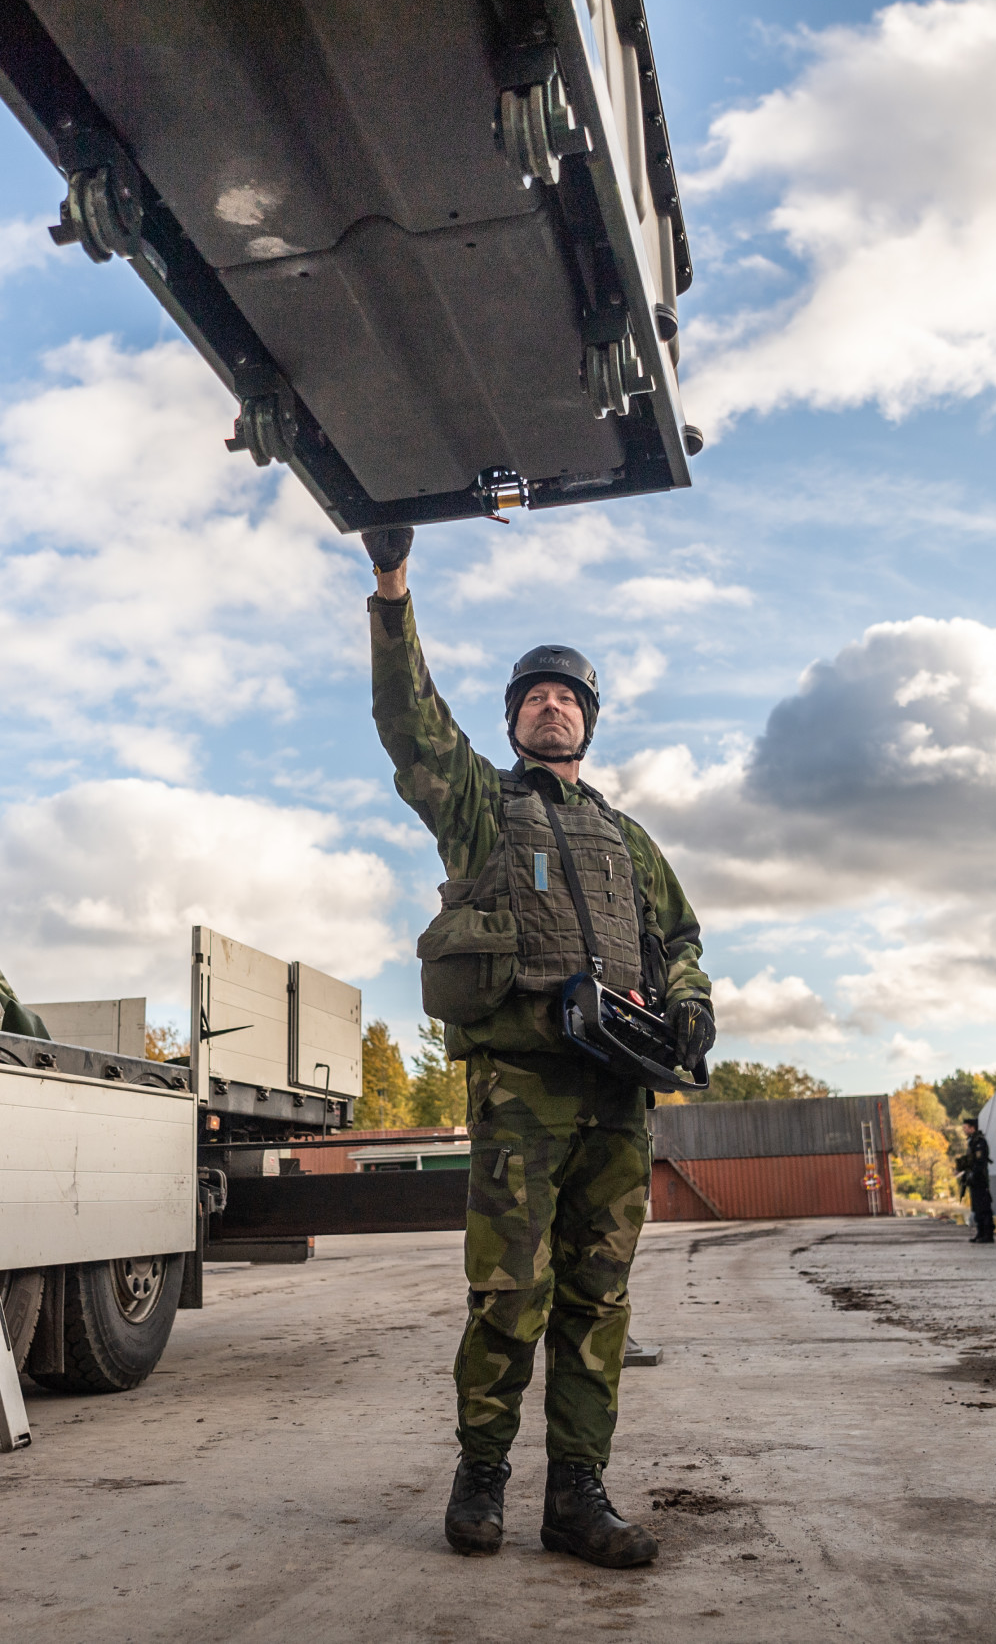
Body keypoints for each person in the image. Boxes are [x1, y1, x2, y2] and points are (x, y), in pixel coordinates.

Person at [362, 525, 713, 1570]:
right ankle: (481, 1477)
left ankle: (577, 1495)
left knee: (596, 1298)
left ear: (589, 722)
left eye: (568, 695)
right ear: (512, 719)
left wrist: (689, 1001)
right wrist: (392, 588)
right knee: (507, 1292)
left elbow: (681, 938)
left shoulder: (626, 838)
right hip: (523, 1090)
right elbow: (407, 724)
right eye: (533, 694)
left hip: (617, 1093)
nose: (550, 703)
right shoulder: (480, 808)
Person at [957, 1115, 996, 1243]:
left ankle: (988, 1234)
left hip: (980, 1179)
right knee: (977, 1207)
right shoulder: (972, 1142)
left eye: (965, 1127)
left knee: (984, 1207)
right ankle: (980, 1233)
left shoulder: (980, 1142)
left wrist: (973, 1173)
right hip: (974, 1180)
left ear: (972, 1128)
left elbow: (980, 1161)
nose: (964, 1130)